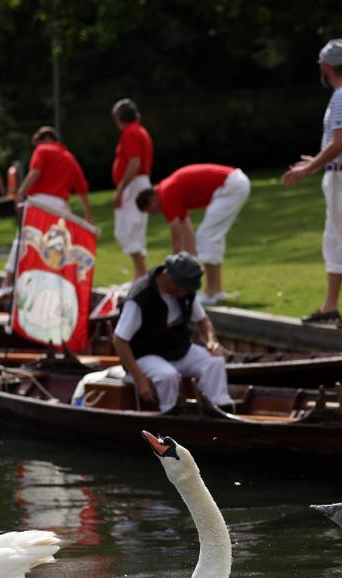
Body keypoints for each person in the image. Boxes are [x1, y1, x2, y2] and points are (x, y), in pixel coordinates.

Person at [281, 37, 342, 328]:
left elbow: (339, 143)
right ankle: (330, 306)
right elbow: (341, 146)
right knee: (333, 242)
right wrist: (318, 163)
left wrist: (309, 167)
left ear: (326, 66)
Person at [110, 252, 232, 411]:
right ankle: (169, 412)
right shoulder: (140, 298)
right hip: (145, 354)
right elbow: (119, 340)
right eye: (186, 287)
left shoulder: (186, 292)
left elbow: (203, 320)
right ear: (170, 279)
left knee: (214, 362)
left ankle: (218, 409)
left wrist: (211, 340)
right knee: (167, 375)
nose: (189, 292)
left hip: (178, 349)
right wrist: (140, 380)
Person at [0, 126, 91, 299]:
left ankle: (7, 282)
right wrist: (88, 217)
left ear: (46, 138)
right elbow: (82, 189)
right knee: (54, 246)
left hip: (38, 202)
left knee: (24, 239)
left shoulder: (43, 150)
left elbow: (35, 172)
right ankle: (54, 286)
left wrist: (20, 193)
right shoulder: (70, 158)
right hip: (60, 207)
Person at [135, 164, 251, 306]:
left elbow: (176, 236)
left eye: (152, 211)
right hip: (234, 183)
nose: (157, 213)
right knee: (211, 236)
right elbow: (186, 230)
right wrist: (190, 258)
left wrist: (174, 269)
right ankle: (217, 291)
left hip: (230, 186)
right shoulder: (170, 190)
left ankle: (210, 293)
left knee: (207, 236)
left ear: (152, 201)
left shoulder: (167, 193)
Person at [111, 98, 154, 280]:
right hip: (140, 183)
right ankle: (140, 275)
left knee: (127, 230)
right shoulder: (141, 131)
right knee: (135, 230)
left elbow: (134, 163)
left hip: (134, 185)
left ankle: (141, 274)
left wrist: (120, 190)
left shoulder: (131, 133)